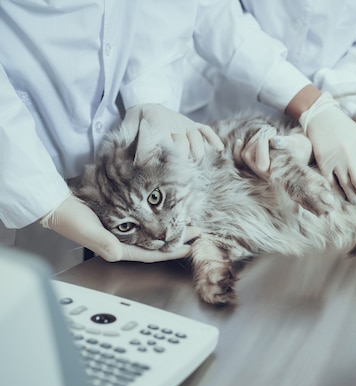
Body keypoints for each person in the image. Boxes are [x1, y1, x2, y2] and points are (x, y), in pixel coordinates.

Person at [0, 1, 222, 271]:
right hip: (18, 161)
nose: (159, 232)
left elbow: (165, 11)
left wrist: (150, 94)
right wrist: (45, 201)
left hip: (122, 122)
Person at [184, 0, 356, 204]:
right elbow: (212, 12)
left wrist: (331, 116)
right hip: (230, 99)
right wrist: (314, 106)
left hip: (337, 120)